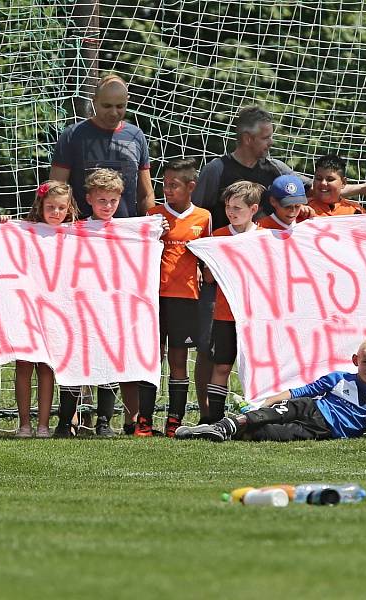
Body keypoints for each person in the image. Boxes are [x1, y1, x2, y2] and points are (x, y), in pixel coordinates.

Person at [192, 107, 366, 420]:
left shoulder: (276, 170)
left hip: (265, 291)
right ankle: (206, 413)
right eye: (266, 137)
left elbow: (312, 191)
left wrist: (362, 190)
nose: (271, 143)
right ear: (247, 137)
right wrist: (207, 262)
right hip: (221, 280)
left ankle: (265, 405)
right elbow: (198, 217)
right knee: (212, 351)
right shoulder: (217, 170)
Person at [175, 337, 366, 442]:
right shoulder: (338, 379)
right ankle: (223, 426)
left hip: (322, 431)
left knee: (268, 434)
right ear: (356, 360)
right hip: (310, 408)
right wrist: (273, 399)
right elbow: (304, 391)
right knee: (267, 414)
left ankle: (208, 434)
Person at [0, 181, 79, 438]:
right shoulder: (25, 230)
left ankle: (43, 424)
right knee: (24, 365)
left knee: (46, 367)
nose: (56, 212)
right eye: (51, 206)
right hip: (25, 308)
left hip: (56, 310)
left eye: (61, 207)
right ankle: (24, 424)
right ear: (40, 205)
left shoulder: (75, 233)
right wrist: (4, 225)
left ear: (69, 208)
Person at [137, 159, 212, 437]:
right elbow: (139, 254)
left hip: (187, 299)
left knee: (178, 361)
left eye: (174, 185)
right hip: (154, 298)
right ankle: (144, 421)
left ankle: (174, 421)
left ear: (191, 186)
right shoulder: (153, 215)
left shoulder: (203, 217)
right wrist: (155, 238)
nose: (167, 190)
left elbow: (208, 259)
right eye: (165, 184)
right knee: (152, 358)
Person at [53, 168, 126, 438]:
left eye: (113, 201)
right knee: (75, 362)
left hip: (112, 310)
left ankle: (104, 422)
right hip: (79, 309)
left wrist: (157, 229)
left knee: (109, 361)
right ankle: (64, 422)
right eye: (102, 201)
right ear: (89, 200)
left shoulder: (129, 231)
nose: (107, 206)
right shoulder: (75, 229)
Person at [202, 181, 266, 424]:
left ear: (253, 209)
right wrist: (211, 262)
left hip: (255, 316)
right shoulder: (218, 235)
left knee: (257, 368)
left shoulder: (264, 237)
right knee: (221, 366)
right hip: (225, 314)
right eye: (228, 207)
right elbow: (208, 278)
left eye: (237, 208)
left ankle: (257, 417)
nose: (231, 212)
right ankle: (215, 419)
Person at [49, 73, 154, 219]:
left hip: (125, 231)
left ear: (127, 101)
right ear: (94, 101)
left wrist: (150, 226)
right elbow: (55, 189)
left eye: (120, 106)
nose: (113, 112)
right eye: (107, 106)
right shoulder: (73, 135)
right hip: (81, 231)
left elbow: (146, 194)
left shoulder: (136, 135)